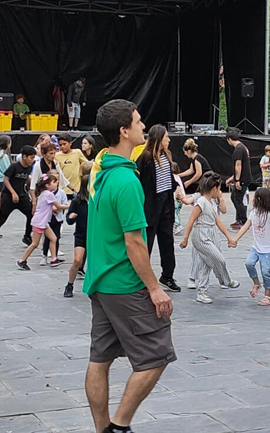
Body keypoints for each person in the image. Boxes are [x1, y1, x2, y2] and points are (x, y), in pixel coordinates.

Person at [83, 99, 175, 433]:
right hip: (124, 284)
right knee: (156, 355)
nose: (143, 126)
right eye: (138, 122)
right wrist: (154, 287)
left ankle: (101, 429)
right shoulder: (126, 182)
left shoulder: (102, 171)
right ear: (123, 131)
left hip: (100, 281)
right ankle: (119, 426)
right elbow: (135, 242)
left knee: (100, 359)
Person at [179, 173, 240, 304]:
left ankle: (202, 292)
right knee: (219, 259)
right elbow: (191, 219)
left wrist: (229, 238)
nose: (220, 192)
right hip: (201, 235)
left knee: (206, 263)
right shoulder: (201, 202)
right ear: (214, 188)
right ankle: (226, 280)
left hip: (209, 233)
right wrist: (185, 239)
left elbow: (218, 221)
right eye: (219, 189)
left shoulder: (211, 203)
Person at [137, 125, 180, 292]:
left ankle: (167, 275)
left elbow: (168, 179)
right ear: (159, 138)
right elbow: (139, 182)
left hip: (166, 204)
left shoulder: (166, 156)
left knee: (167, 241)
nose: (169, 140)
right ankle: (142, 277)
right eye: (166, 137)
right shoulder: (146, 158)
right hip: (151, 206)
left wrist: (176, 189)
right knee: (146, 243)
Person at [232, 187, 270, 306]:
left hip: (268, 249)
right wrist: (235, 239)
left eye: (255, 197)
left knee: (265, 271)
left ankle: (267, 295)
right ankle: (256, 283)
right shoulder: (253, 212)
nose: (253, 199)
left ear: (261, 200)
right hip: (256, 247)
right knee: (249, 263)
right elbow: (245, 226)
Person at [0, 146, 37, 251]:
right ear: (24, 157)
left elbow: (25, 177)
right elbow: (6, 179)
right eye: (31, 157)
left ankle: (27, 236)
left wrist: (33, 182)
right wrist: (13, 192)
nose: (33, 160)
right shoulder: (14, 167)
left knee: (32, 214)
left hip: (22, 196)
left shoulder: (29, 167)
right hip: (9, 196)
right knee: (1, 219)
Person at [17, 174, 61, 270]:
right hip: (40, 222)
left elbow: (47, 206)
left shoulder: (44, 193)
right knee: (35, 243)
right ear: (47, 185)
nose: (56, 183)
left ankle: (54, 259)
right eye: (54, 182)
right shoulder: (49, 194)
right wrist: (70, 206)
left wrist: (52, 209)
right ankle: (22, 260)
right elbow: (59, 206)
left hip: (43, 222)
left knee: (53, 238)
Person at [64, 173, 90, 298]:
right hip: (81, 234)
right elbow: (69, 220)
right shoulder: (77, 201)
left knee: (96, 262)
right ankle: (69, 285)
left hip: (95, 236)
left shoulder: (99, 200)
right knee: (77, 260)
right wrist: (71, 217)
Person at [225, 127, 253, 230]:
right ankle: (240, 219)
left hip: (242, 178)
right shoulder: (243, 147)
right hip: (243, 177)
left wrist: (237, 180)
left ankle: (243, 220)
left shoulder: (238, 149)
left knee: (237, 199)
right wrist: (232, 178)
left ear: (229, 139)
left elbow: (238, 165)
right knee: (235, 198)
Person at [56, 134, 88, 200]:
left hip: (76, 189)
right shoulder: (56, 156)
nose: (62, 146)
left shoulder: (77, 152)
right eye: (60, 145)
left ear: (70, 143)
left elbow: (87, 164)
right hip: (63, 189)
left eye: (64, 144)